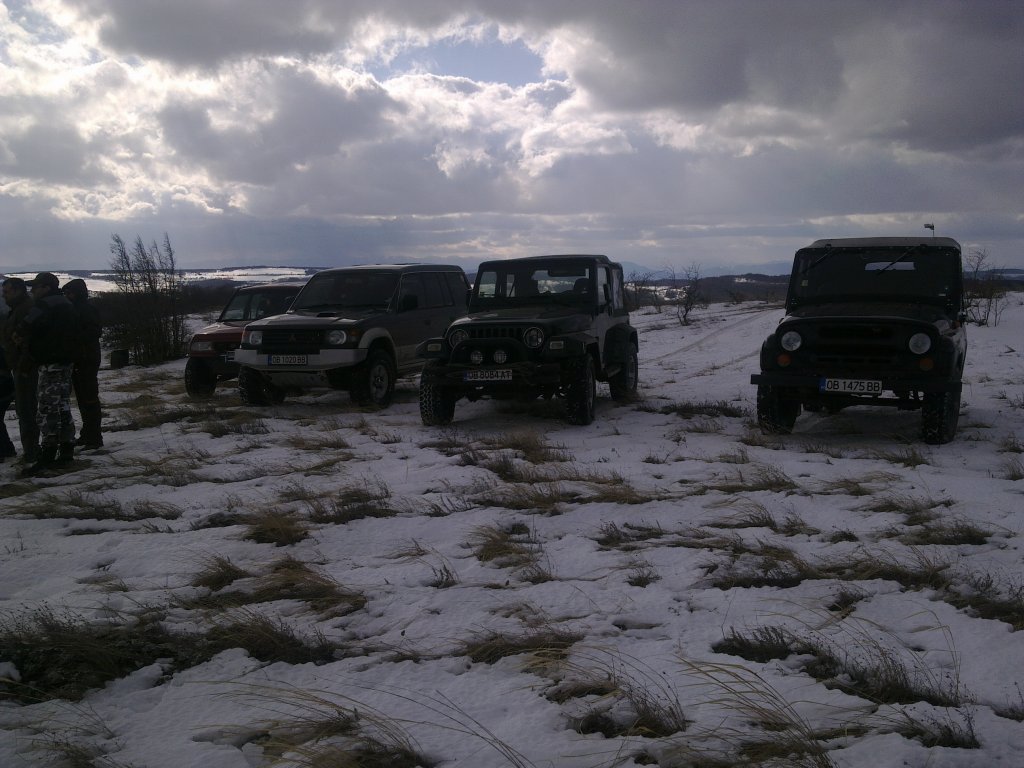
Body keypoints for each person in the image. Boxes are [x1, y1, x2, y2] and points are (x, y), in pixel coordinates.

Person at [20, 272, 76, 474]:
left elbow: (25, 326)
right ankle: (67, 450)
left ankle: (47, 455)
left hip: (50, 362)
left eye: (35, 287)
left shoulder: (44, 305)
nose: (32, 291)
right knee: (62, 406)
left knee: (46, 408)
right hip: (66, 362)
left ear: (46, 288)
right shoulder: (67, 304)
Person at [1, 277, 39, 464]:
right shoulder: (17, 309)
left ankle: (32, 454)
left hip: (25, 368)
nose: (4, 296)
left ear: (17, 291)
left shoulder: (25, 309)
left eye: (6, 292)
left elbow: (27, 342)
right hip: (18, 368)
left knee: (27, 412)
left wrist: (23, 366)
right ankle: (28, 452)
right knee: (24, 412)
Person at [62, 278, 103, 448]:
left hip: (86, 359)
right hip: (81, 359)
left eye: (69, 293)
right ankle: (88, 434)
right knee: (83, 399)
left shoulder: (85, 309)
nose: (67, 296)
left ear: (76, 293)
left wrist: (73, 339)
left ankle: (94, 437)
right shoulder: (77, 308)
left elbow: (94, 331)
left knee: (89, 399)